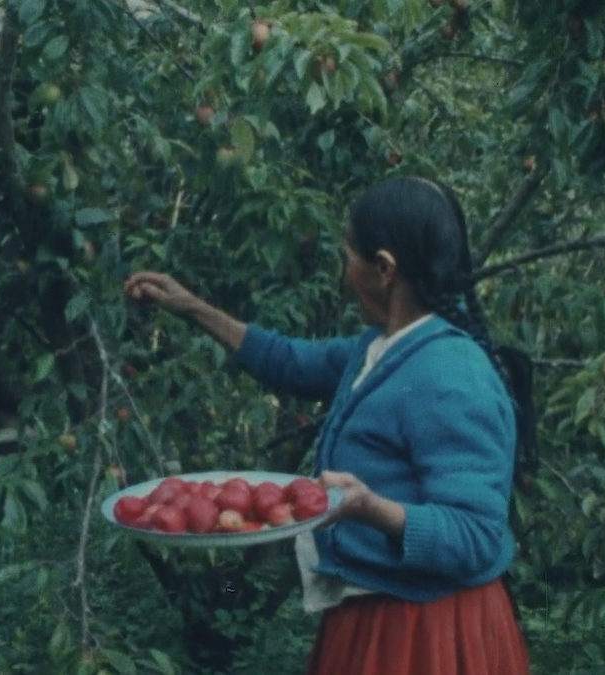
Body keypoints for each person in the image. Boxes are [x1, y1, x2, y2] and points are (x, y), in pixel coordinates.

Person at [122, 176, 533, 674]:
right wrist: (190, 307)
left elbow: (476, 535)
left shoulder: (452, 374)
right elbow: (290, 362)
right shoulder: (385, 346)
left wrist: (369, 508)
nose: (344, 274)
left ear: (384, 268)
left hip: (427, 633)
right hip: (377, 612)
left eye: (348, 257)